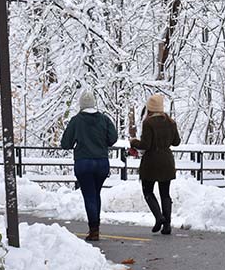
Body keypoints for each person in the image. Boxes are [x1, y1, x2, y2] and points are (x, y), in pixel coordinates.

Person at [60, 89, 118, 241]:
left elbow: (65, 143)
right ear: (94, 104)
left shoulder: (76, 120)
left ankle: (94, 230)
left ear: (81, 105)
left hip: (84, 163)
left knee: (90, 196)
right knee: (95, 194)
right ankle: (95, 227)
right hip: (101, 163)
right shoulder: (104, 119)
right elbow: (113, 138)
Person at [129, 94, 180, 235]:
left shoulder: (148, 123)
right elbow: (176, 142)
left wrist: (133, 141)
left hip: (151, 163)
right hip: (167, 162)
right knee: (165, 194)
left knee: (148, 191)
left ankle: (159, 218)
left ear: (150, 108)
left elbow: (145, 145)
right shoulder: (171, 122)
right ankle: (167, 225)